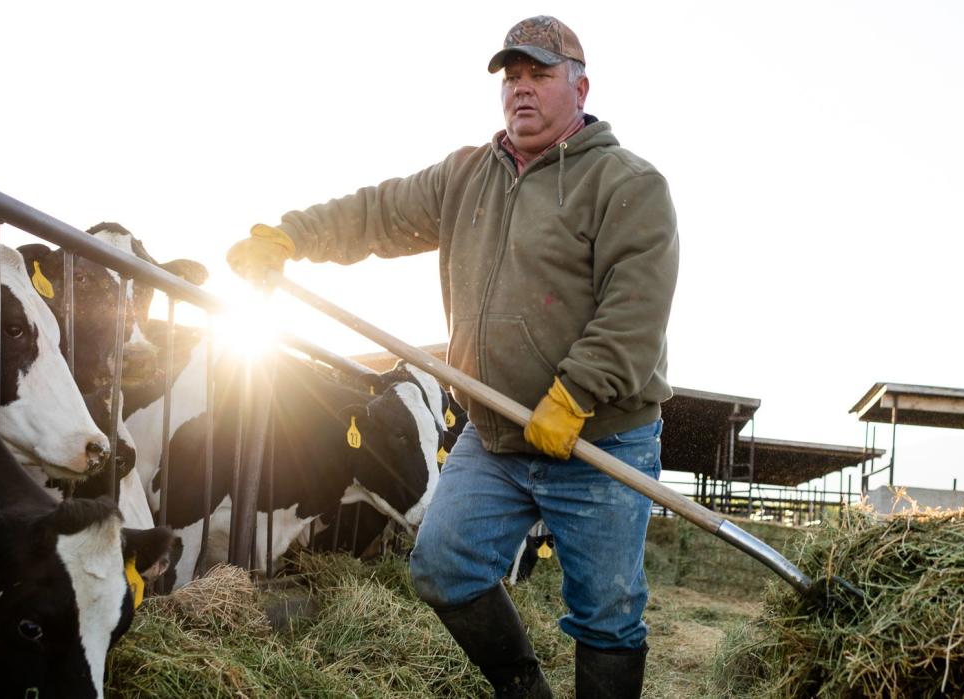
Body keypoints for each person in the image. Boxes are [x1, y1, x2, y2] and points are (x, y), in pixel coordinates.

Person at [227, 15, 678, 698]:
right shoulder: (469, 175)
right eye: (512, 77)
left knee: (607, 614)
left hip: (599, 440)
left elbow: (636, 307)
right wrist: (293, 236)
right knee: (442, 563)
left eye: (540, 74)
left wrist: (577, 392)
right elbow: (378, 213)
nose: (522, 89)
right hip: (496, 435)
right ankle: (522, 688)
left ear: (580, 87)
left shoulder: (628, 184)